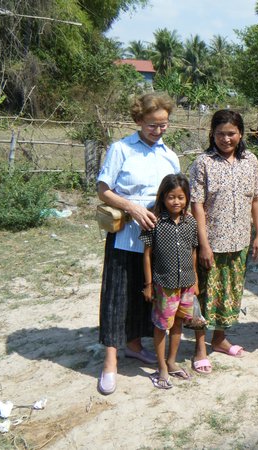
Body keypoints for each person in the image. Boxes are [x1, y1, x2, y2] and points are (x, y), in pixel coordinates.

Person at [96, 92, 180, 395]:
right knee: (117, 296)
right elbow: (103, 189)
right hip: (125, 236)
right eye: (152, 125)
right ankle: (110, 361)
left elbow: (175, 194)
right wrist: (132, 208)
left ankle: (134, 345)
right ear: (138, 121)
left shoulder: (169, 155)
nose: (158, 131)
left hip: (157, 241)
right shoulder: (121, 149)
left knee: (147, 296)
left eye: (163, 125)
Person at [189, 109, 258, 374]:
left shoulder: (250, 161)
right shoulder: (203, 162)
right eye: (220, 133)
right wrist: (204, 244)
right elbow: (196, 205)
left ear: (240, 133)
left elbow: (257, 198)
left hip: (240, 242)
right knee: (204, 296)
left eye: (231, 133)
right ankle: (200, 348)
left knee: (230, 295)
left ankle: (219, 339)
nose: (226, 139)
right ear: (213, 134)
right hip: (212, 242)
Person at [140, 174, 198, 389]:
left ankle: (172, 361)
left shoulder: (190, 222)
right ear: (163, 197)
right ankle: (162, 365)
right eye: (171, 197)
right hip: (165, 284)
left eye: (181, 197)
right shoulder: (154, 222)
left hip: (187, 283)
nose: (176, 202)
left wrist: (196, 281)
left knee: (178, 323)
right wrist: (148, 285)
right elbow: (147, 254)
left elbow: (193, 252)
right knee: (161, 325)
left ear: (187, 198)